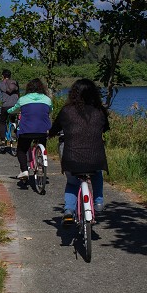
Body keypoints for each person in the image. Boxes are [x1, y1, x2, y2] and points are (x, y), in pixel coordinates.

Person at [48, 78, 109, 226]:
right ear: (94, 93)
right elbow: (105, 128)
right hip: (95, 157)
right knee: (97, 174)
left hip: (72, 157)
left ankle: (69, 211)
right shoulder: (100, 111)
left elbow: (54, 129)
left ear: (74, 94)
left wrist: (49, 134)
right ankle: (99, 202)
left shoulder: (67, 111)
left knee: (72, 183)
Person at [7, 78, 53, 180]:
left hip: (26, 130)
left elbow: (13, 109)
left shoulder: (23, 99)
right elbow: (50, 110)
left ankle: (24, 170)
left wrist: (8, 111)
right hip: (43, 130)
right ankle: (40, 165)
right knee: (42, 145)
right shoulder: (47, 99)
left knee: (21, 149)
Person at [0, 69, 20, 147]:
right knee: (14, 118)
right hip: (16, 106)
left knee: (2, 122)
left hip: (6, 106)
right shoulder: (15, 83)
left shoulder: (0, 84)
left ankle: (3, 140)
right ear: (10, 76)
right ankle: (15, 133)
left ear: (3, 76)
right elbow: (18, 94)